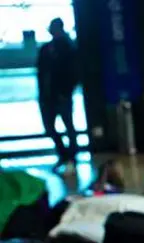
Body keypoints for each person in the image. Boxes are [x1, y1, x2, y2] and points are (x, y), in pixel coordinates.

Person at [37, 18, 78, 171]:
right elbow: (41, 74)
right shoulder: (46, 49)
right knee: (50, 127)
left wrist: (66, 91)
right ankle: (64, 154)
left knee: (69, 126)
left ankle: (71, 158)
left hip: (62, 95)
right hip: (47, 97)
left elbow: (74, 73)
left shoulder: (68, 48)